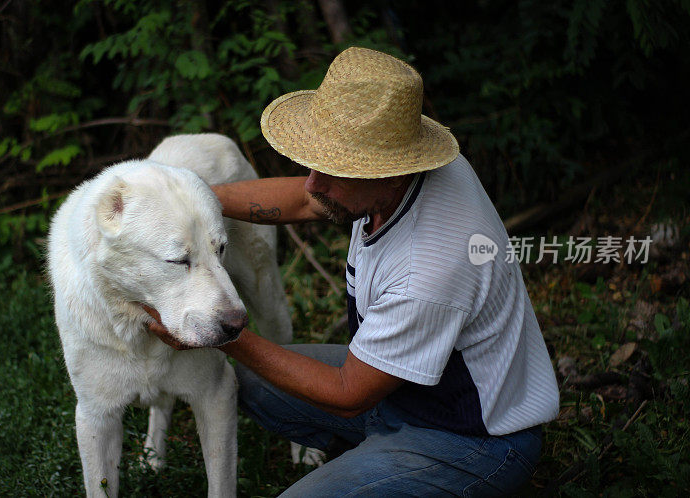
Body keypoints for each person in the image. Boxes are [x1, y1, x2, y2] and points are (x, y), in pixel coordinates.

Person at [144, 47, 560, 496]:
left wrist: (226, 333)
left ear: (389, 172)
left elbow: (347, 394)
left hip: (470, 439)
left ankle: (411, 473)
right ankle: (374, 462)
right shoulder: (398, 178)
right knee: (233, 376)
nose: (313, 182)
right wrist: (189, 198)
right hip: (399, 393)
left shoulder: (432, 266)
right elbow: (305, 200)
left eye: (336, 170)